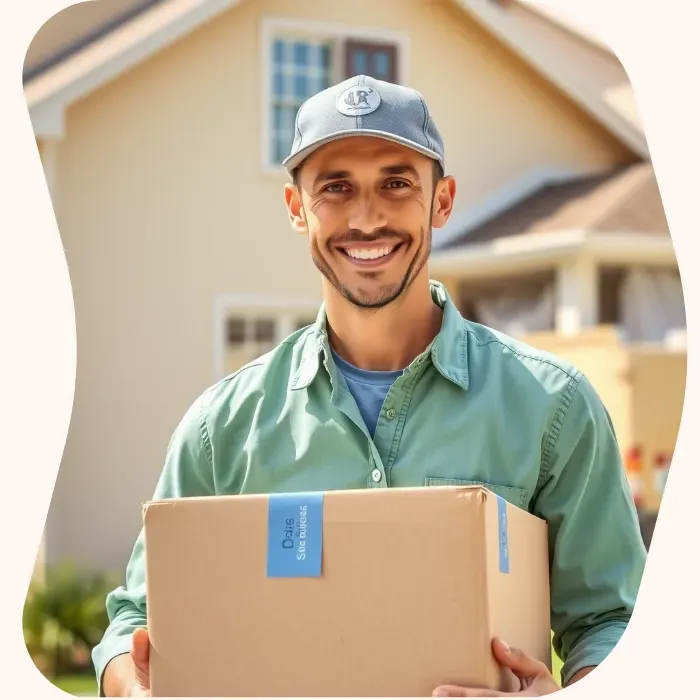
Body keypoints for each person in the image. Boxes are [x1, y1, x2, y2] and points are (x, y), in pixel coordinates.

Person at [93, 75, 646, 697]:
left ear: (442, 200)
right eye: (335, 188)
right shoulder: (222, 430)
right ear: (297, 209)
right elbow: (134, 623)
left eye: (396, 183)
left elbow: (613, 623)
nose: (367, 216)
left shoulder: (555, 408)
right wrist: (135, 685)